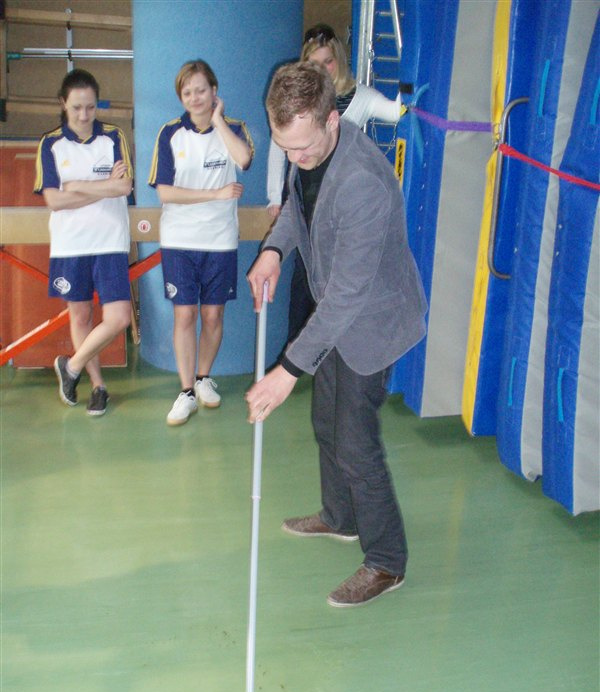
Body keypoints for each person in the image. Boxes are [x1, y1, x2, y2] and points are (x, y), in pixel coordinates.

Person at [246, 62, 427, 608]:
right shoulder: (305, 149)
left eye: (302, 147)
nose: (294, 157)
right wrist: (273, 251)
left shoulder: (362, 182)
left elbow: (348, 296)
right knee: (326, 420)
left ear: (332, 119)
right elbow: (297, 209)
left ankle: (387, 561)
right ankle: (340, 516)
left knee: (354, 441)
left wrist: (286, 372)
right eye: (285, 147)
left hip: (372, 324)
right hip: (337, 316)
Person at [266, 23, 406, 343]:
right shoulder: (296, 107)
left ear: (338, 61)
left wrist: (410, 83)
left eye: (327, 62)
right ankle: (301, 347)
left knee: (340, 287)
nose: (322, 69)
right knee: (304, 290)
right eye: (314, 63)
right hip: (308, 206)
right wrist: (275, 198)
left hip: (341, 210)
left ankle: (326, 347)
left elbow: (396, 111)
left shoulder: (360, 98)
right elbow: (279, 149)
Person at [149, 60, 253, 426]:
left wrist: (219, 120)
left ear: (214, 91)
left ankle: (203, 377)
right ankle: (186, 392)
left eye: (201, 90)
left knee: (212, 315)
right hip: (179, 239)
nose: (194, 98)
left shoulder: (234, 129)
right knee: (185, 314)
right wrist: (214, 194)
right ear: (181, 96)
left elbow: (244, 159)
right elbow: (165, 192)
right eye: (187, 92)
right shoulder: (170, 133)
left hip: (220, 240)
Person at [35, 69, 133, 416]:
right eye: (76, 107)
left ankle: (71, 366)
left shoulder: (113, 137)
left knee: (119, 317)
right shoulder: (50, 144)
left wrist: (76, 186)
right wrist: (103, 187)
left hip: (110, 240)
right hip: (71, 243)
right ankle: (97, 386)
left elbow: (124, 187)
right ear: (63, 103)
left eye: (90, 107)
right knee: (81, 315)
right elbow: (53, 200)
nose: (83, 115)